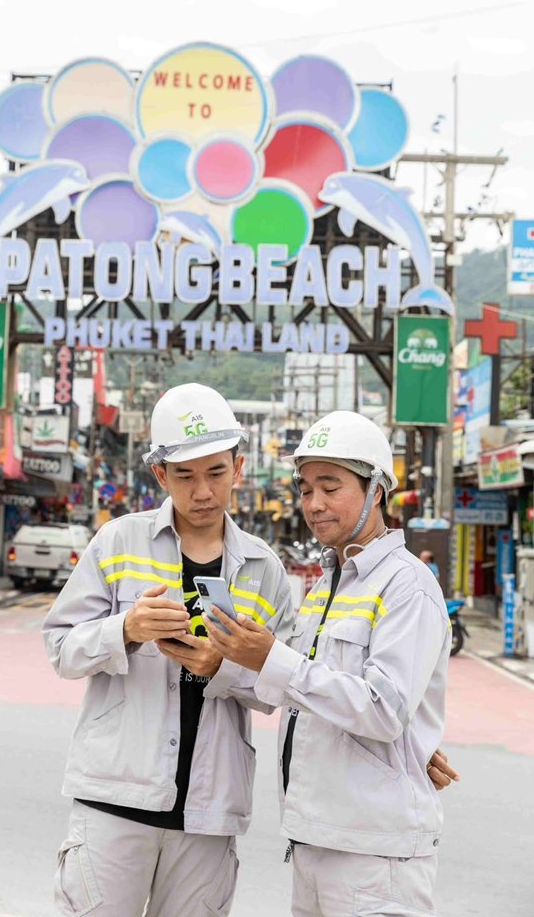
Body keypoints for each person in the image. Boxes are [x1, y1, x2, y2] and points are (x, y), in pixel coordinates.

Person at [42, 383, 295, 917]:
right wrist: (126, 629)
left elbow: (281, 686)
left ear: (238, 468)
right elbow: (61, 647)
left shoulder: (265, 569)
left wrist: (222, 668)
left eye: (216, 473)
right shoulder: (118, 542)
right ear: (160, 475)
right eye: (185, 476)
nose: (203, 491)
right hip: (114, 799)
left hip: (208, 813)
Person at [204, 411, 455, 917]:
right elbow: (302, 693)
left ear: (376, 489)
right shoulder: (326, 586)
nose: (313, 503)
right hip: (316, 840)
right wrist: (222, 663)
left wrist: (272, 657)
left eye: (330, 486)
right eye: (305, 489)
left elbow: (383, 709)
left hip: (373, 855)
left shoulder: (407, 586)